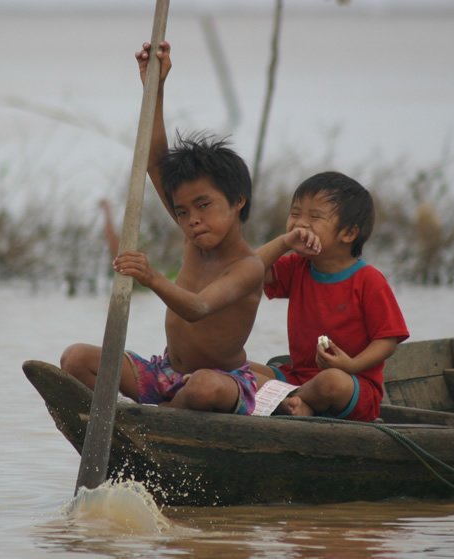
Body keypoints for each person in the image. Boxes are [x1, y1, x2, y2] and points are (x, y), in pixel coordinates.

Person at [60, 41, 264, 415]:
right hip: (165, 372)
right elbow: (156, 162)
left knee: (205, 388)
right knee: (76, 359)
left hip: (222, 381)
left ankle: (160, 422)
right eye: (183, 211)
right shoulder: (194, 234)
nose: (192, 220)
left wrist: (152, 277)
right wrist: (155, 86)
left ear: (238, 202)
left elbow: (199, 308)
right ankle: (126, 424)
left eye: (203, 205)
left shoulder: (248, 267)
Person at [250, 171, 409, 421]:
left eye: (314, 217)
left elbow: (387, 341)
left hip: (353, 385)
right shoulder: (297, 266)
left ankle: (289, 400)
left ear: (348, 233)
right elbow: (249, 270)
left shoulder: (368, 280)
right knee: (239, 368)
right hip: (297, 377)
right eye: (295, 214)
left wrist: (351, 366)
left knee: (331, 381)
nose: (300, 224)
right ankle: (294, 401)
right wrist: (283, 243)